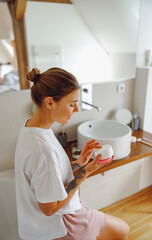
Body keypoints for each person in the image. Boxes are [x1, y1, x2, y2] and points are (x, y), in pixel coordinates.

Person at [15, 67, 129, 240]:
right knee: (122, 230)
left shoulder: (32, 128)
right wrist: (87, 171)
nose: (76, 109)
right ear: (50, 103)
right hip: (62, 223)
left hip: (58, 216)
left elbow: (49, 175)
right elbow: (50, 208)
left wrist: (79, 163)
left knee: (121, 229)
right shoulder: (42, 149)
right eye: (71, 103)